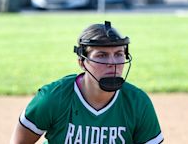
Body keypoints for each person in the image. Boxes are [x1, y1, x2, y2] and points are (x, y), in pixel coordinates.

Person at [11, 21, 163, 144]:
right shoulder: (53, 97)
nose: (113, 63)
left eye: (118, 54)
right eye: (102, 55)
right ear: (82, 62)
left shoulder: (138, 102)